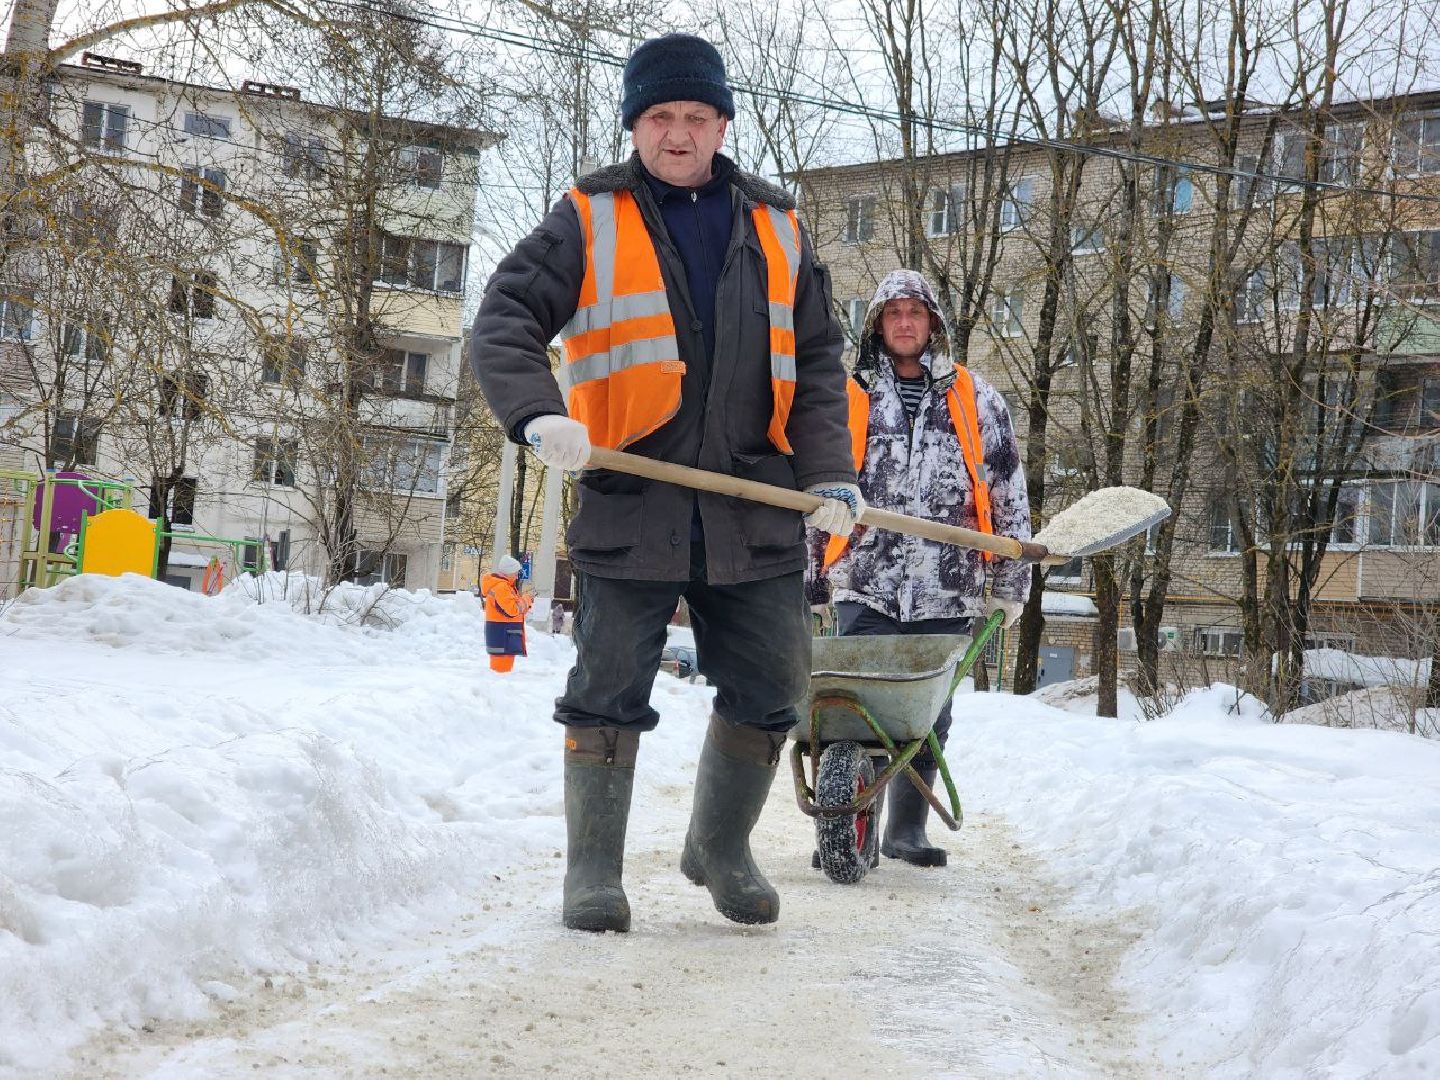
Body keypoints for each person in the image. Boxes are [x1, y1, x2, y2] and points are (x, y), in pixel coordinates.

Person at [469, 34, 860, 932]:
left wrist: (831, 471)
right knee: (607, 686)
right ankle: (594, 875)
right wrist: (537, 415)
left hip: (751, 500)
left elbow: (820, 357)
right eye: (660, 118)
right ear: (635, 125)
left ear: (722, 123)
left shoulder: (777, 223)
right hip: (631, 494)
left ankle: (719, 848)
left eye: (695, 117)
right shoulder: (588, 216)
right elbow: (505, 316)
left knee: (775, 686)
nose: (679, 134)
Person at [807, 269, 1032, 868]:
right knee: (852, 709)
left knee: (929, 713)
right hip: (865, 580)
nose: (905, 323)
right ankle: (844, 820)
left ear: (933, 323)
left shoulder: (976, 398)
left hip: (948, 585)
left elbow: (1007, 486)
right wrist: (810, 574)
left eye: (916, 312)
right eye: (892, 313)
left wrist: (1010, 581)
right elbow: (814, 491)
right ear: (878, 325)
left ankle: (906, 831)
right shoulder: (848, 394)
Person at [481, 556, 532, 673]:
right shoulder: (502, 588)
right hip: (503, 636)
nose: (517, 576)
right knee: (501, 675)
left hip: (504, 636)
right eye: (515, 573)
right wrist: (526, 600)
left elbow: (515, 609)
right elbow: (513, 610)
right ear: (508, 573)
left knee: (502, 675)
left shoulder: (506, 587)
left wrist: (524, 603)